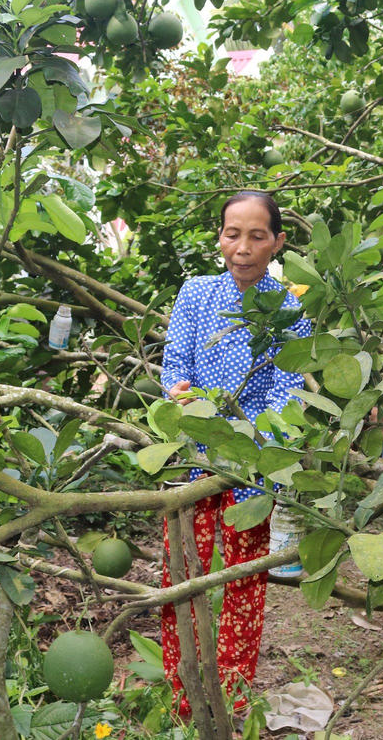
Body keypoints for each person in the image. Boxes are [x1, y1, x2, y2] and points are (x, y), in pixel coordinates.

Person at [159, 191, 311, 714]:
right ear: (219, 237)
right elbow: (175, 365)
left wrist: (249, 442)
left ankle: (235, 697)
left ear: (277, 243)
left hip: (251, 469)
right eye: (232, 234)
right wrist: (190, 404)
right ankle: (183, 697)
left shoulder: (291, 306)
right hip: (191, 462)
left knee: (243, 578)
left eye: (256, 236)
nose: (242, 247)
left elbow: (287, 389)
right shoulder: (196, 293)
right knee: (183, 575)